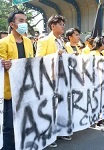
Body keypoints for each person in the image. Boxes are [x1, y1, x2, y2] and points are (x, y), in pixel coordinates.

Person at [0, 10, 33, 150]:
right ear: (12, 24)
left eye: (25, 20)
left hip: (25, 88)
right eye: (21, 21)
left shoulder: (28, 42)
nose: (24, 23)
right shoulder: (2, 43)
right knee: (9, 125)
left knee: (24, 121)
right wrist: (4, 64)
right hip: (9, 90)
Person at [35, 15, 71, 148]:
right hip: (49, 79)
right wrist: (57, 54)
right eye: (60, 24)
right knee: (49, 108)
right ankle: (48, 135)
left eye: (63, 24)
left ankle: (60, 131)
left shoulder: (62, 41)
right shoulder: (44, 41)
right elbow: (39, 59)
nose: (63, 27)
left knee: (60, 106)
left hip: (62, 78)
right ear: (52, 26)